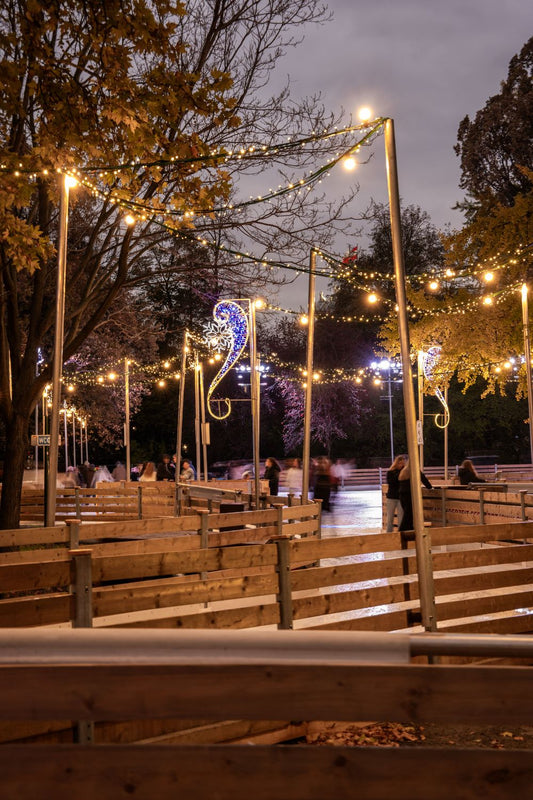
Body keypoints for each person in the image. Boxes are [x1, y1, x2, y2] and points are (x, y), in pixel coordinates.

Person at [398, 459, 433, 532]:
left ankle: (408, 530)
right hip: (409, 495)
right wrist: (430, 487)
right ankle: (402, 531)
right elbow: (424, 480)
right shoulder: (415, 470)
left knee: (407, 514)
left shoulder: (403, 471)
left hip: (402, 494)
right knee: (409, 514)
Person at [385, 454, 406, 532]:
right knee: (390, 518)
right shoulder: (391, 472)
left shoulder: (404, 472)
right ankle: (389, 533)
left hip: (400, 497)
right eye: (400, 463)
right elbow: (391, 482)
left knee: (401, 517)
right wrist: (400, 473)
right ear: (396, 463)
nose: (401, 465)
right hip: (391, 497)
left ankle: (400, 533)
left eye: (403, 463)